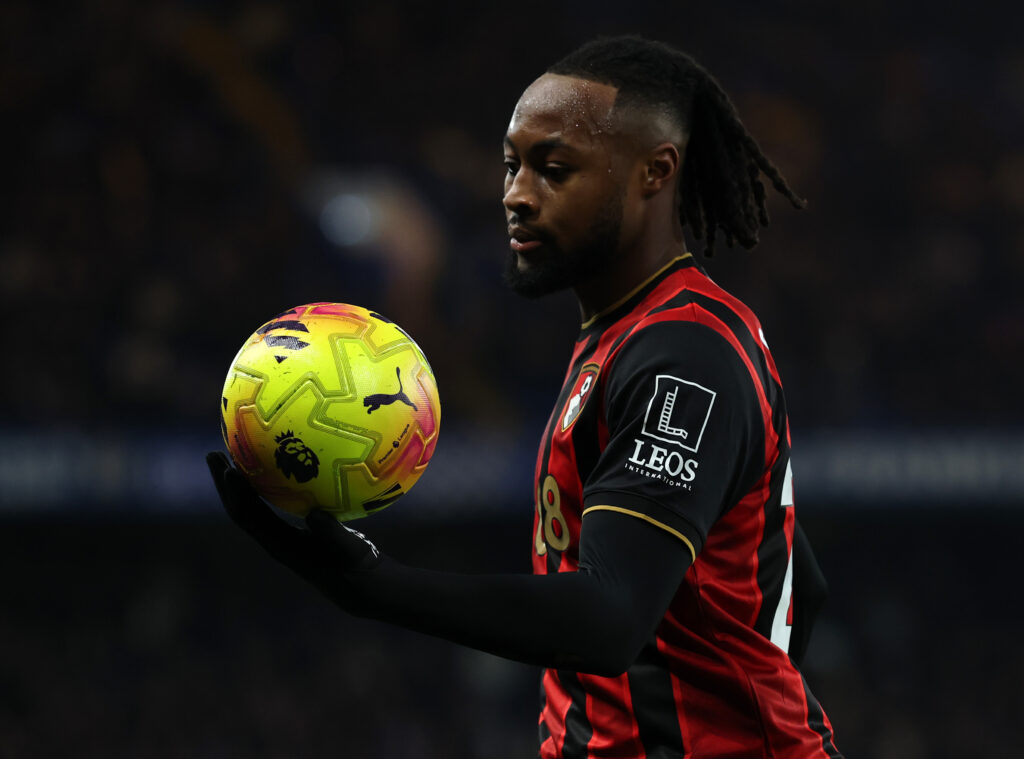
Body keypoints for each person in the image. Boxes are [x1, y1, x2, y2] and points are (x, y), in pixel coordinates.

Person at [208, 35, 842, 758]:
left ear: (654, 173)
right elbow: (801, 583)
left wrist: (374, 585)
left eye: (554, 169)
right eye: (512, 165)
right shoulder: (633, 335)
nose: (515, 193)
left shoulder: (683, 354)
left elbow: (607, 620)